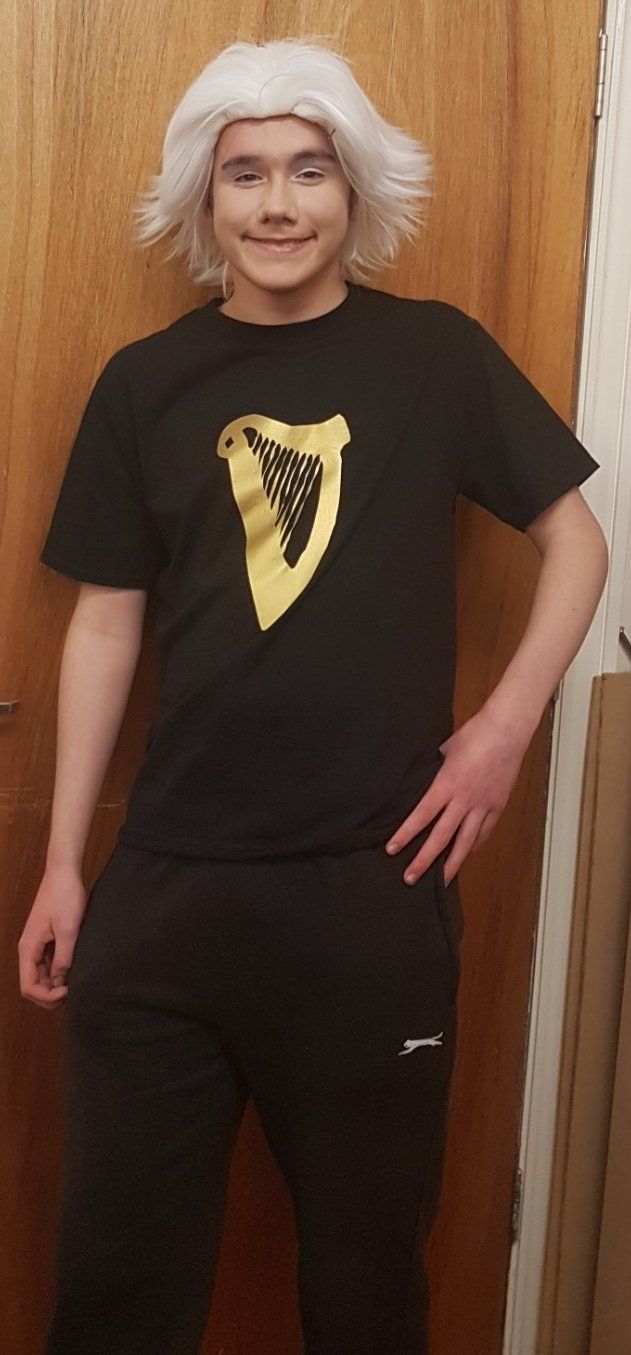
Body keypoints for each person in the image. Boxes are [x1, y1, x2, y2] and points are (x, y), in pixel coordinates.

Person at [19, 34, 607, 1355]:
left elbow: (577, 541)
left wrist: (503, 729)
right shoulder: (144, 384)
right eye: (245, 173)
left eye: (308, 169)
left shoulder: (435, 357)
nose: (277, 203)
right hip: (165, 899)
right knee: (114, 1293)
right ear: (205, 196)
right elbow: (104, 620)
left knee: (365, 1290)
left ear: (354, 192)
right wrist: (63, 867)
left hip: (370, 894)